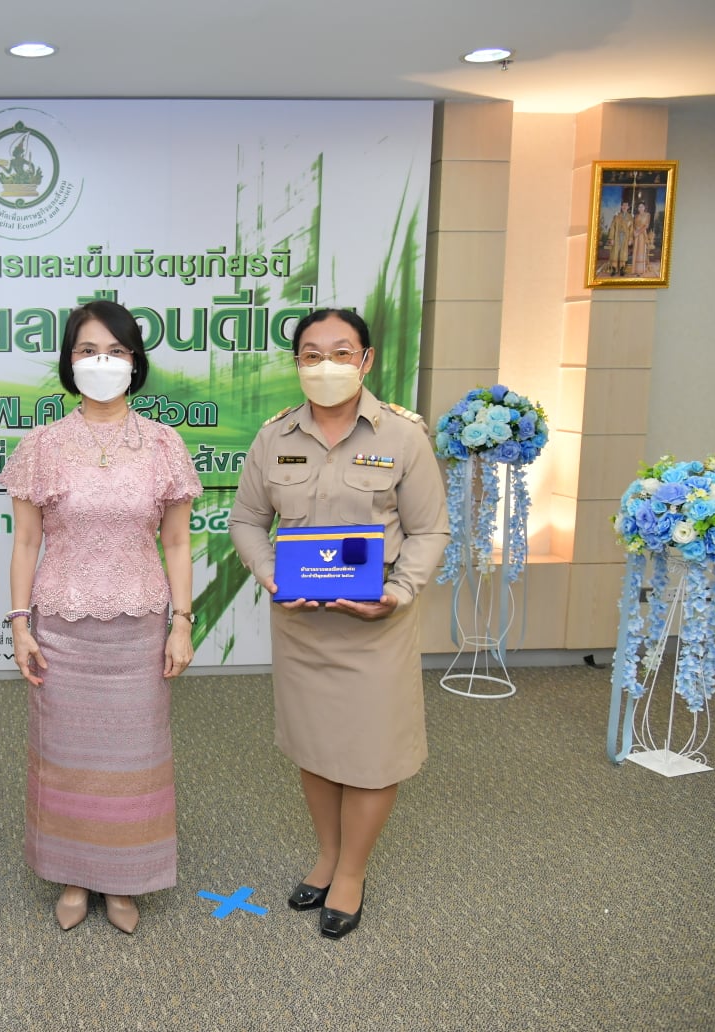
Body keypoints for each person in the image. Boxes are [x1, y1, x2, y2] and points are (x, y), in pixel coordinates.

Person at [229, 308, 447, 940]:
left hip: (376, 628)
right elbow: (247, 521)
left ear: (367, 360)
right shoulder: (274, 437)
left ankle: (352, 871)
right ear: (297, 363)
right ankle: (326, 855)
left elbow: (430, 530)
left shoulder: (403, 436)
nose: (326, 365)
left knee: (373, 755)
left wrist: (399, 592)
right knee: (316, 747)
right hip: (302, 627)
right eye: (312, 354)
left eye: (342, 352)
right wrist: (270, 573)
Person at [0, 298, 201, 935]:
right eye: (88, 350)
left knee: (132, 761)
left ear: (135, 361)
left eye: (115, 351)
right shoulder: (42, 446)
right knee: (67, 758)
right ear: (69, 361)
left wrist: (182, 622)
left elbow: (177, 543)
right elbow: (26, 542)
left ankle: (123, 876)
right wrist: (20, 624)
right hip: (62, 628)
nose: (102, 362)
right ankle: (72, 873)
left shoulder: (164, 445)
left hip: (139, 628)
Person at [605, 200, 632, 277]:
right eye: (623, 205)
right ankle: (614, 269)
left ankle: (622, 269)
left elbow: (631, 229)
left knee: (623, 253)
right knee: (615, 252)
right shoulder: (616, 216)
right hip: (617, 236)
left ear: (628, 207)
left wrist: (630, 239)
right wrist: (611, 238)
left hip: (625, 237)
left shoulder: (630, 217)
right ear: (621, 206)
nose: (624, 207)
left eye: (626, 205)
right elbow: (612, 227)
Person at [630, 200, 653, 276]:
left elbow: (646, 226)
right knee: (636, 251)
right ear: (638, 208)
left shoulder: (647, 215)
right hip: (636, 235)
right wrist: (634, 232)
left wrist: (638, 232)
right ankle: (635, 270)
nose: (640, 208)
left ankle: (640, 270)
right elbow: (633, 225)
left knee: (641, 251)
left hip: (642, 235)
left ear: (644, 207)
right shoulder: (636, 216)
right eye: (639, 207)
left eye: (642, 206)